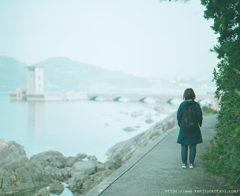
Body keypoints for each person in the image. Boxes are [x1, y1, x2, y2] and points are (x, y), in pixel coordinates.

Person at [177, 88, 203, 169]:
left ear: (185, 95)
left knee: (184, 146)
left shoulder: (182, 105)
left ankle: (184, 164)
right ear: (193, 95)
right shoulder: (196, 105)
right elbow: (199, 116)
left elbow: (179, 116)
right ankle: (191, 163)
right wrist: (198, 124)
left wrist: (181, 125)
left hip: (184, 128)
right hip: (194, 128)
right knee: (192, 146)